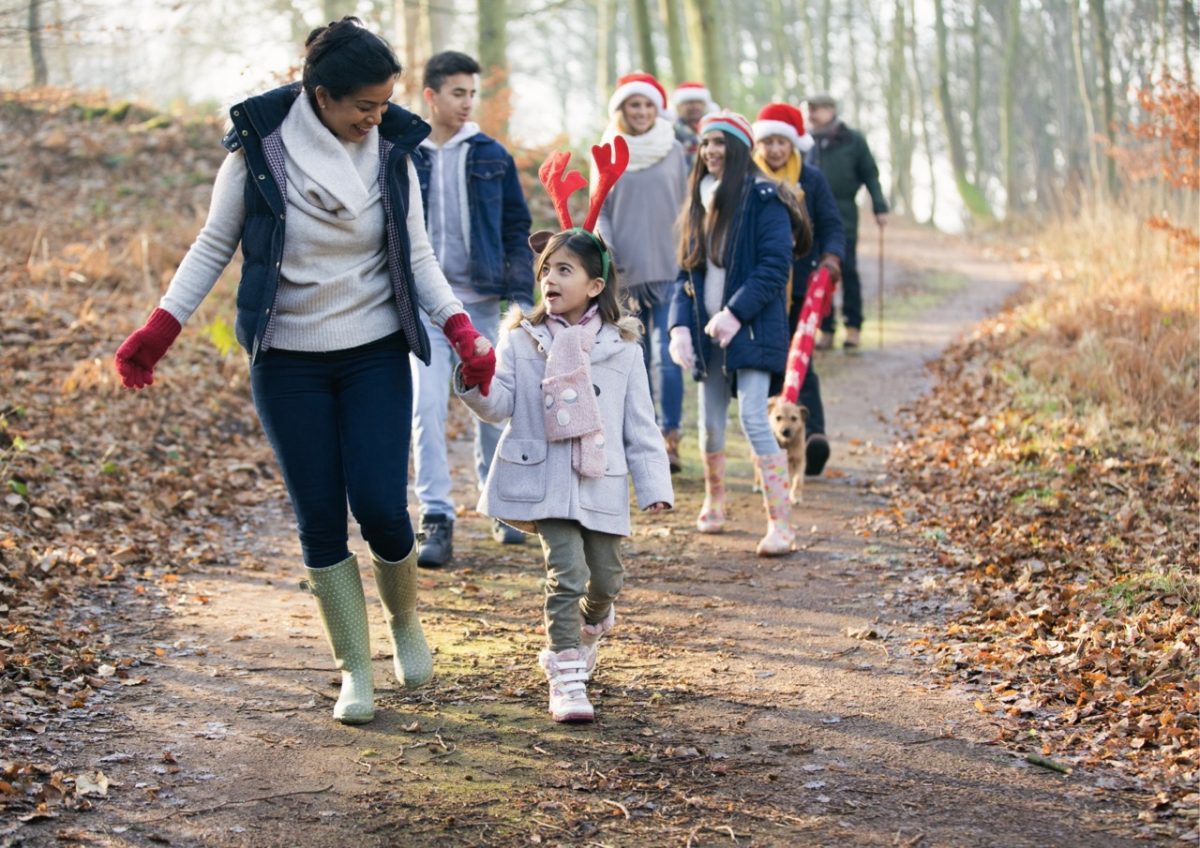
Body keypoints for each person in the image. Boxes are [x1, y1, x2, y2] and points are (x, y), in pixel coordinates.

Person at [112, 18, 497, 726]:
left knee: (382, 505)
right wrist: (159, 330)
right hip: (287, 360)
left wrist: (461, 329)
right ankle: (354, 668)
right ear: (321, 95)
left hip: (375, 350)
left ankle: (405, 621)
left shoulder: (393, 153)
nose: (377, 119)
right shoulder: (260, 152)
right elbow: (211, 247)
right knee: (319, 517)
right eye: (364, 107)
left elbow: (416, 260)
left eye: (384, 105)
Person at [455, 141, 673, 723]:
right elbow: (499, 403)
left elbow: (640, 423)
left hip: (600, 478)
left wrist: (655, 483)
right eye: (546, 269)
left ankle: (591, 628)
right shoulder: (522, 338)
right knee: (566, 573)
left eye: (565, 270)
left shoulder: (622, 348)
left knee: (605, 581)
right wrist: (474, 379)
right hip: (545, 474)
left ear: (595, 286)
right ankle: (566, 673)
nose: (550, 278)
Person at [409, 50, 535, 566]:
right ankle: (435, 515)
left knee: (492, 408)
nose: (466, 104)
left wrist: (522, 299)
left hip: (481, 302)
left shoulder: (491, 155)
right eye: (457, 93)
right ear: (431, 96)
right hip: (422, 309)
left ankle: (500, 501)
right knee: (427, 406)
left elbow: (515, 229)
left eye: (472, 94)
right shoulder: (403, 153)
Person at [667, 111, 808, 557]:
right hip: (706, 331)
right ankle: (715, 501)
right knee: (709, 425)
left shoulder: (763, 198)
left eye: (721, 143)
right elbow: (684, 274)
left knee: (751, 416)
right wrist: (678, 328)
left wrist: (734, 312)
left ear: (739, 149)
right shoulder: (697, 200)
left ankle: (780, 524)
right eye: (707, 142)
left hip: (750, 327)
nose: (711, 150)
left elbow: (774, 267)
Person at [596, 73, 689, 473]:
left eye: (648, 105)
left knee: (669, 358)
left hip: (671, 267)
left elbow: (688, 204)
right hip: (625, 270)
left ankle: (671, 438)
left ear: (658, 109)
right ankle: (642, 438)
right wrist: (608, 251)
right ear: (621, 110)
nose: (641, 112)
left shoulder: (674, 150)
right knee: (635, 358)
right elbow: (600, 207)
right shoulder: (607, 149)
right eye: (634, 105)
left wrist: (691, 254)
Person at [751, 102, 845, 477]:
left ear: (793, 145)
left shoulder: (812, 179)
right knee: (768, 365)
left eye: (782, 143)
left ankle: (813, 437)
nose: (775, 150)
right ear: (759, 144)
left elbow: (832, 225)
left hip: (801, 286)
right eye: (768, 142)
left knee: (801, 362)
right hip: (760, 290)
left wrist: (832, 258)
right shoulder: (746, 179)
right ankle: (771, 442)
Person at [805, 92, 888, 350]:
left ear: (831, 110)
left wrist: (879, 206)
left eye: (817, 109)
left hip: (843, 214)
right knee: (817, 272)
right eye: (809, 109)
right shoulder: (805, 142)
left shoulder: (852, 140)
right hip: (811, 216)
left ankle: (853, 327)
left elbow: (870, 175)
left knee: (847, 269)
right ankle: (825, 328)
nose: (812, 114)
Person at [671, 81, 715, 168]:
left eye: (699, 102)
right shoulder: (670, 133)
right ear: (678, 106)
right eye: (689, 102)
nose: (695, 106)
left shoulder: (714, 131)